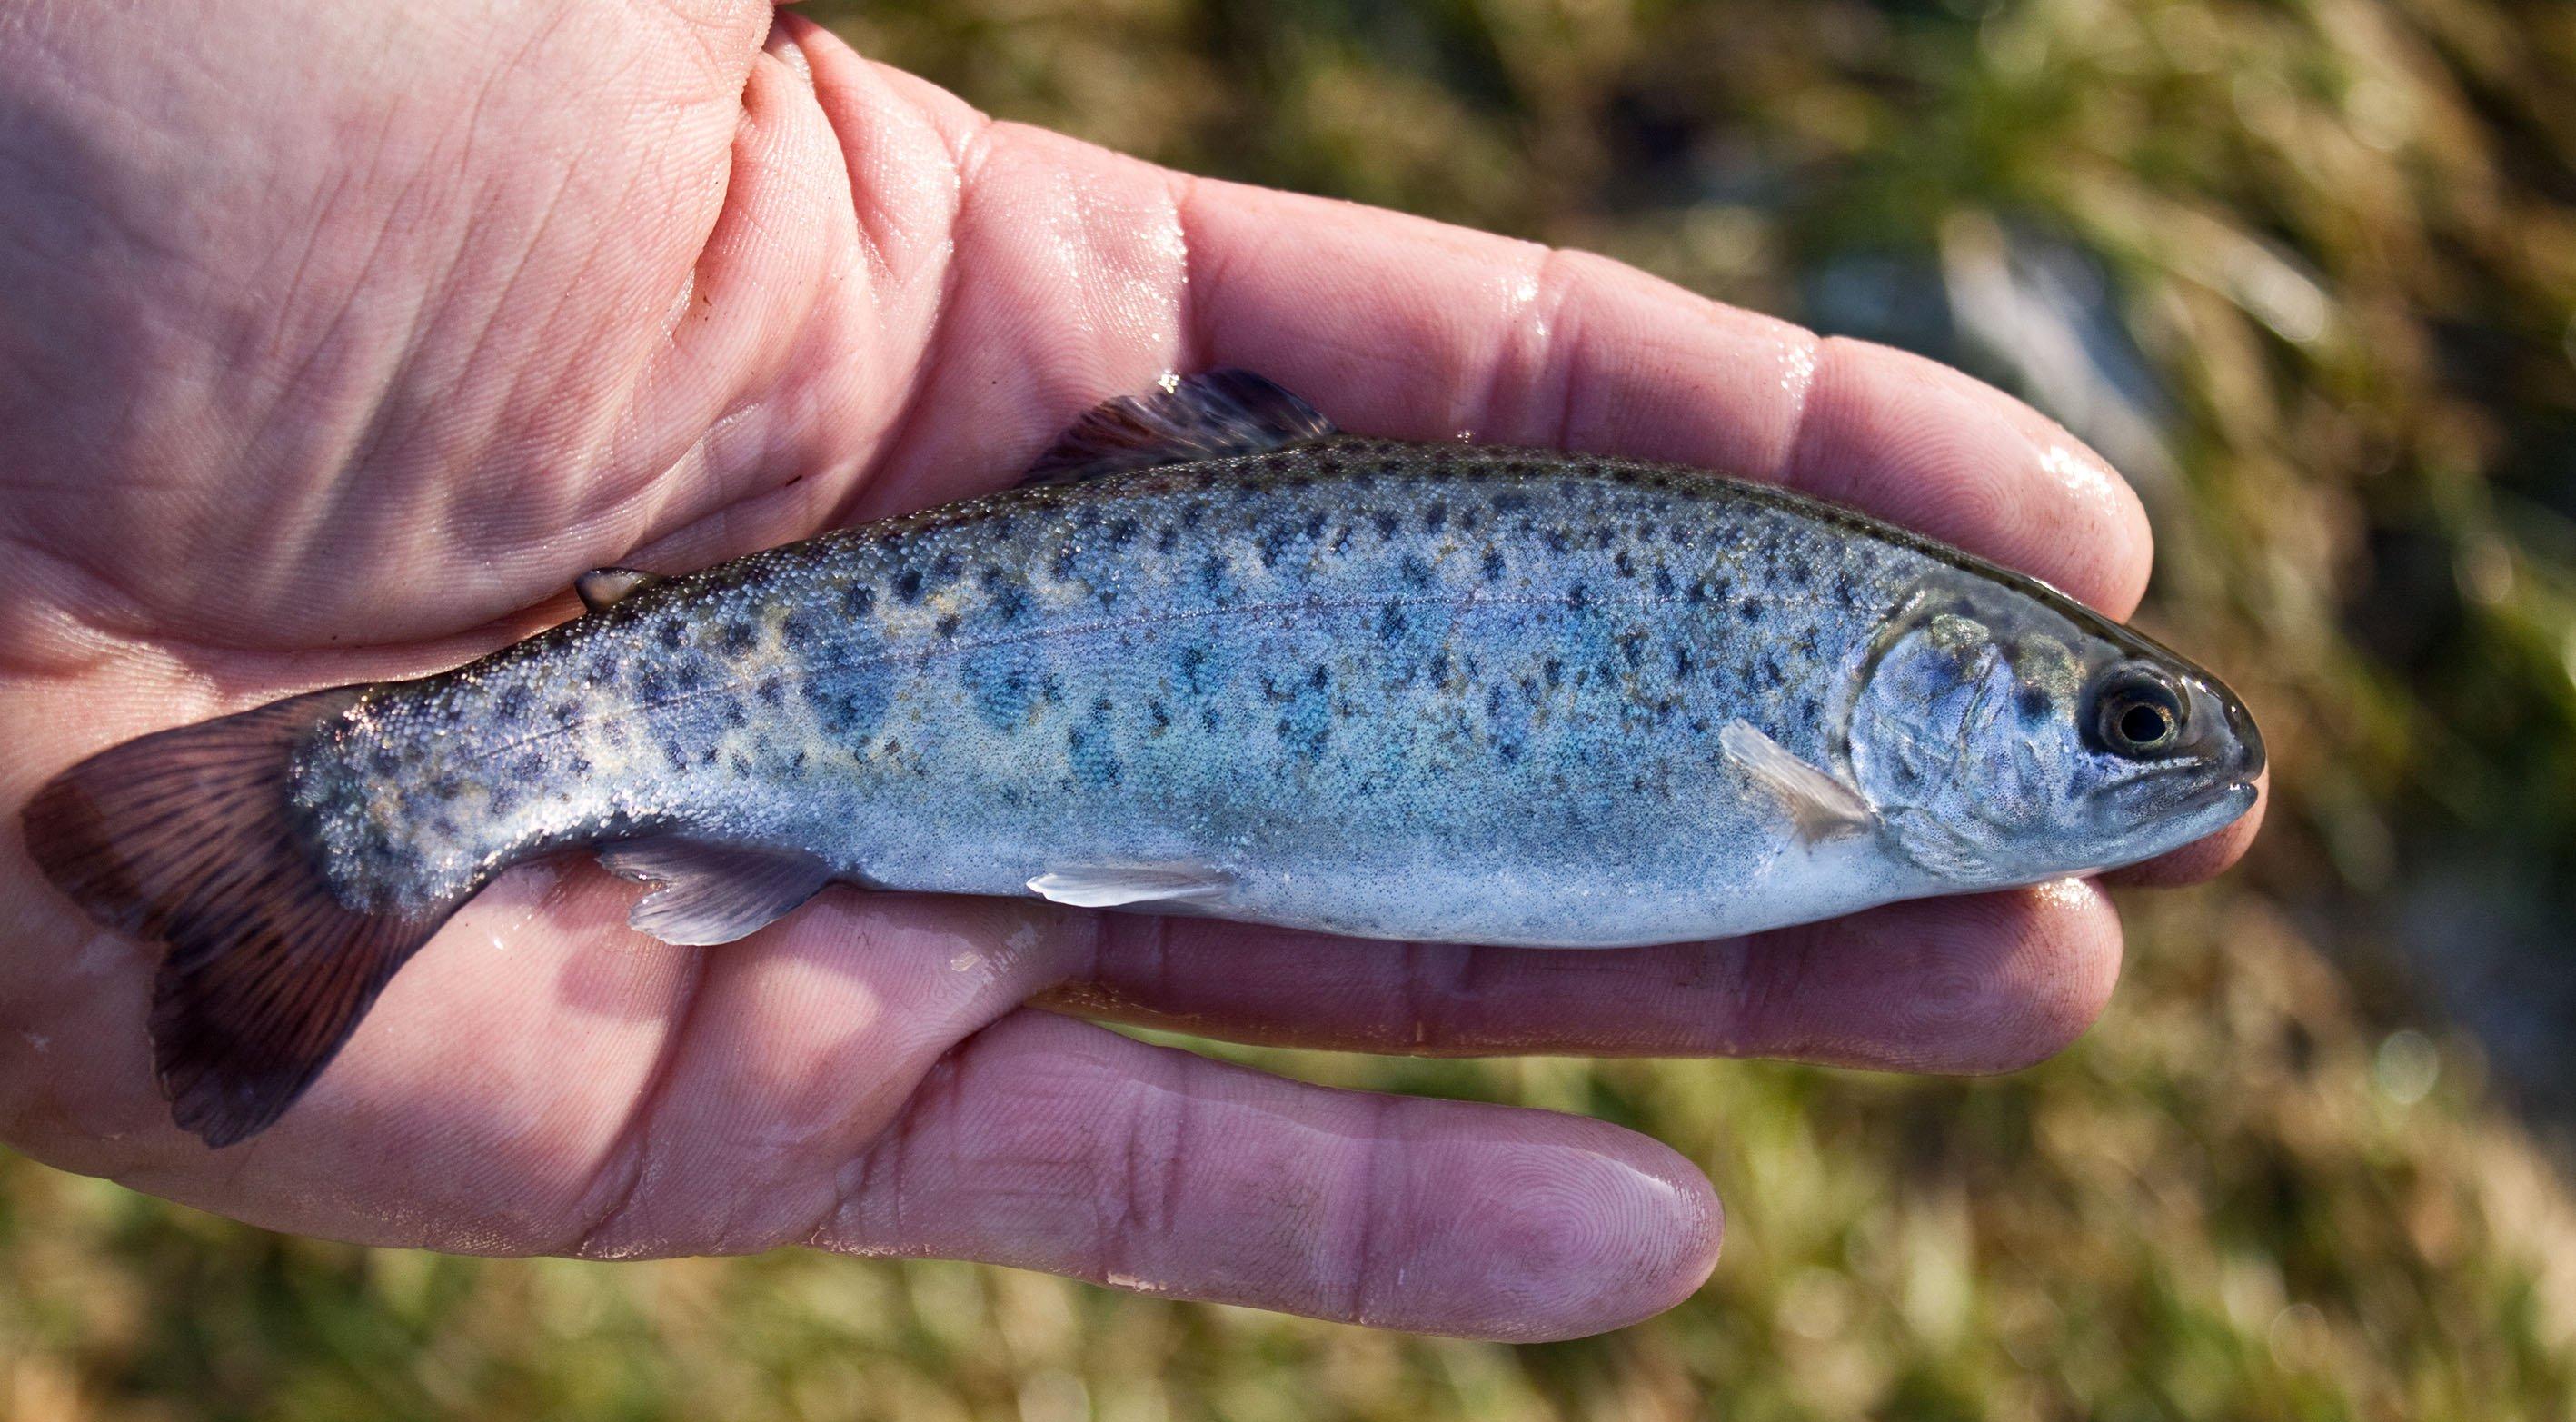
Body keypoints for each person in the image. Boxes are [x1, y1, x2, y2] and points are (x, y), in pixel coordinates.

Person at [0, 1, 2257, 1341]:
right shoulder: (1811, 762)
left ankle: (383, 819)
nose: (2142, 762)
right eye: (2109, 725)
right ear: (1923, 681)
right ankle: (383, 815)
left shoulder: (1834, 772)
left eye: (2124, 726)